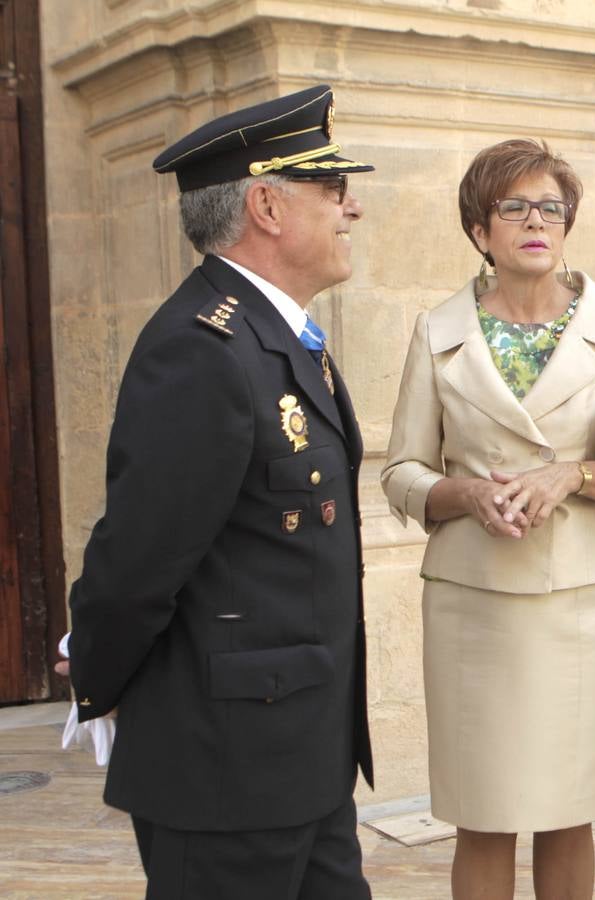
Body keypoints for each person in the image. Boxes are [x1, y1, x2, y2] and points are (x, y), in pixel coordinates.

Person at [64, 85, 376, 899]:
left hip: (301, 757)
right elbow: (138, 558)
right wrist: (95, 676)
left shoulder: (277, 336)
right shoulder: (201, 350)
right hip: (224, 771)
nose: (354, 209)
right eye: (333, 190)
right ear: (267, 205)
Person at [380, 138, 595, 899]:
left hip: (583, 600)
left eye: (551, 206)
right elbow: (402, 473)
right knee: (481, 813)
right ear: (481, 232)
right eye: (513, 207)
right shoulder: (437, 330)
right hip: (472, 603)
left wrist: (573, 475)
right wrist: (467, 496)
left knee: (566, 810)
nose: (535, 221)